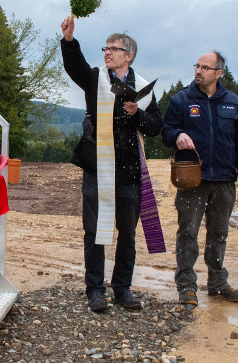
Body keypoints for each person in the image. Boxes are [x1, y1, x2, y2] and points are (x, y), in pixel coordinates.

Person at [60, 16, 163, 312]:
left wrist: (137, 115)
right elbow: (74, 66)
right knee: (94, 232)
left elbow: (156, 125)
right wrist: (69, 40)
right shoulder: (96, 79)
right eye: (105, 48)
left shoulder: (143, 89)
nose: (107, 52)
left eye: (114, 49)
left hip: (129, 172)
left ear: (128, 56)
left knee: (127, 234)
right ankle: (94, 289)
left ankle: (122, 288)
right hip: (97, 169)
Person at [162, 52, 238, 307]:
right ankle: (187, 286)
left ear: (218, 73)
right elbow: (165, 132)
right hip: (192, 180)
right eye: (197, 66)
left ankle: (218, 283)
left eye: (205, 67)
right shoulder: (181, 100)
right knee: (188, 232)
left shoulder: (234, 103)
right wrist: (178, 133)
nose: (198, 71)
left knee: (219, 233)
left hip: (224, 179)